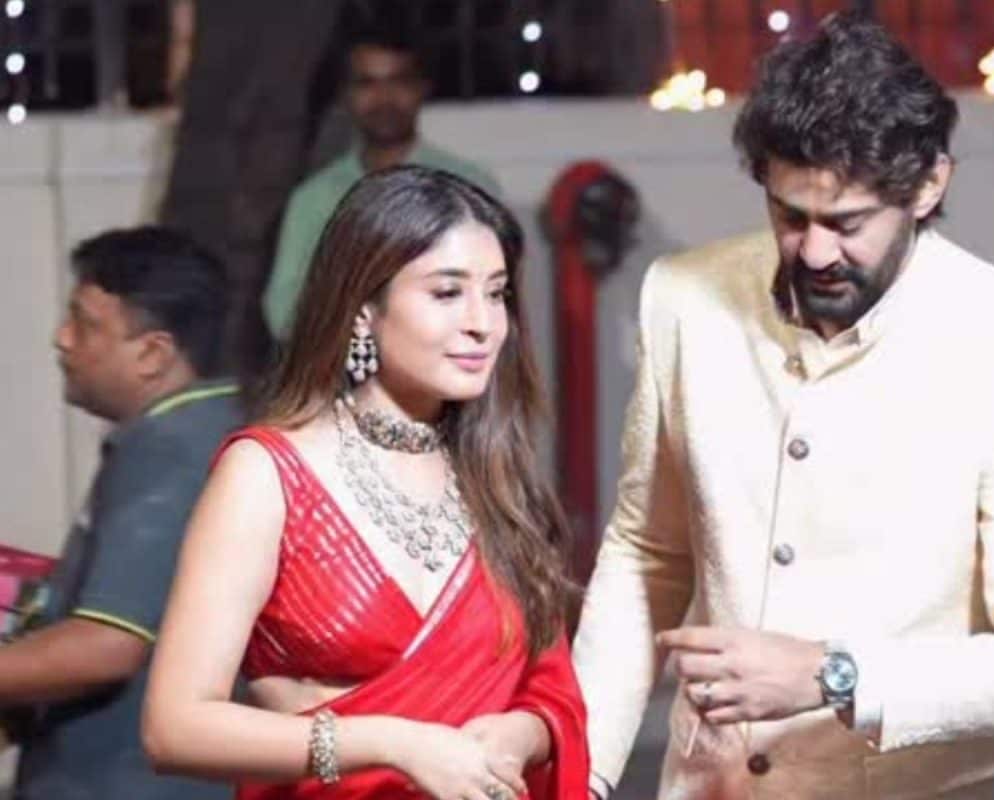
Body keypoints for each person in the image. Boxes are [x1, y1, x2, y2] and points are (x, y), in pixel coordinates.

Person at [573, 12, 994, 799]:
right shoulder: (683, 298)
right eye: (790, 215)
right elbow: (647, 552)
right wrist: (582, 772)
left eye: (847, 222)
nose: (816, 251)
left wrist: (836, 674)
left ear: (929, 185)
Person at [143, 166, 588, 800]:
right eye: (446, 293)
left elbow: (550, 685)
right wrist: (392, 743)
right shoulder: (269, 474)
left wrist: (524, 732)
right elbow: (174, 727)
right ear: (362, 310)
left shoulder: (494, 473)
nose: (484, 324)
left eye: (496, 294)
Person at [0, 227, 240, 800]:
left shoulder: (172, 449)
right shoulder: (204, 429)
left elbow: (107, 645)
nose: (62, 339)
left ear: (153, 353)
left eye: (84, 324)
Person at [262, 26, 502, 340]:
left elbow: (499, 299)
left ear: (422, 88)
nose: (384, 98)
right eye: (367, 83)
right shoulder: (315, 198)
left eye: (398, 81)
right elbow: (282, 311)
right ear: (345, 95)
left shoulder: (468, 186)